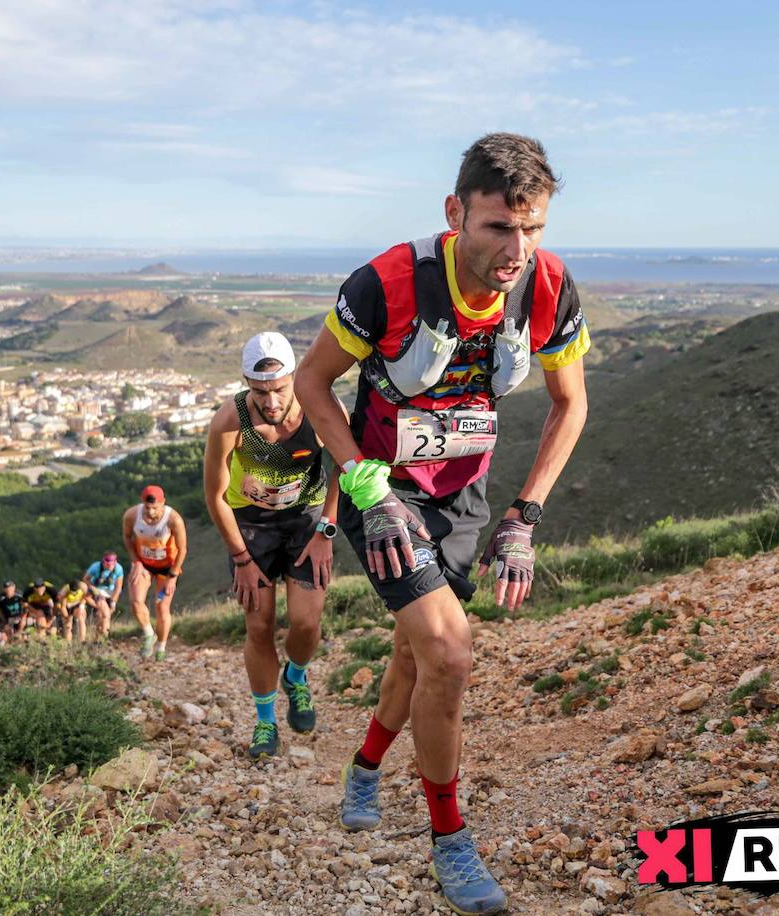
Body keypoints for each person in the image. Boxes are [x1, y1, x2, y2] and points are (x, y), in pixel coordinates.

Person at [294, 133, 590, 915]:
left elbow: (571, 404)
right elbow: (312, 381)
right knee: (451, 654)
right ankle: (450, 840)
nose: (516, 250)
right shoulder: (389, 282)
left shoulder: (549, 287)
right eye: (498, 227)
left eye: (534, 230)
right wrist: (366, 486)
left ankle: (363, 767)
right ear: (456, 212)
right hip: (381, 493)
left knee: (417, 656)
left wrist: (525, 517)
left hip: (464, 497)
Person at [203, 331, 341, 759]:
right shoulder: (231, 421)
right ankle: (265, 723)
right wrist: (241, 558)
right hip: (252, 526)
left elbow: (345, 465)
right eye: (259, 391)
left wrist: (326, 531)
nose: (271, 401)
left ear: (293, 378)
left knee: (305, 623)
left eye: (279, 389)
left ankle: (296, 678)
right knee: (259, 626)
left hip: (305, 521)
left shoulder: (319, 408)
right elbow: (214, 496)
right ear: (246, 383)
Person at [122, 485, 188, 661]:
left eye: (155, 508)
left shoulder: (173, 519)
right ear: (142, 502)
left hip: (167, 568)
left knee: (162, 607)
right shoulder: (131, 515)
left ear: (163, 503)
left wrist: (173, 577)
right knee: (136, 602)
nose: (150, 512)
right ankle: (149, 635)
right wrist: (135, 561)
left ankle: (161, 647)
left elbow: (183, 549)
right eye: (147, 507)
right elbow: (127, 537)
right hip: (143, 564)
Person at [82, 552, 125, 640]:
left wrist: (113, 601)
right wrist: (93, 589)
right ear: (103, 562)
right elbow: (85, 579)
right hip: (98, 590)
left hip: (111, 592)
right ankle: (104, 638)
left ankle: (97, 638)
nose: (109, 567)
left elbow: (118, 587)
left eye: (112, 565)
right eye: (107, 565)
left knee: (103, 616)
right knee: (106, 614)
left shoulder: (118, 569)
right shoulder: (96, 567)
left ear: (115, 563)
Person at [0, 580, 23, 646]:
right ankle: (10, 644)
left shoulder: (19, 595)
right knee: (6, 630)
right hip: (8, 618)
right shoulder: (1, 598)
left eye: (10, 588)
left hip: (19, 616)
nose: (8, 590)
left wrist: (23, 617)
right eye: (6, 588)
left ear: (14, 587)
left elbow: (25, 606)